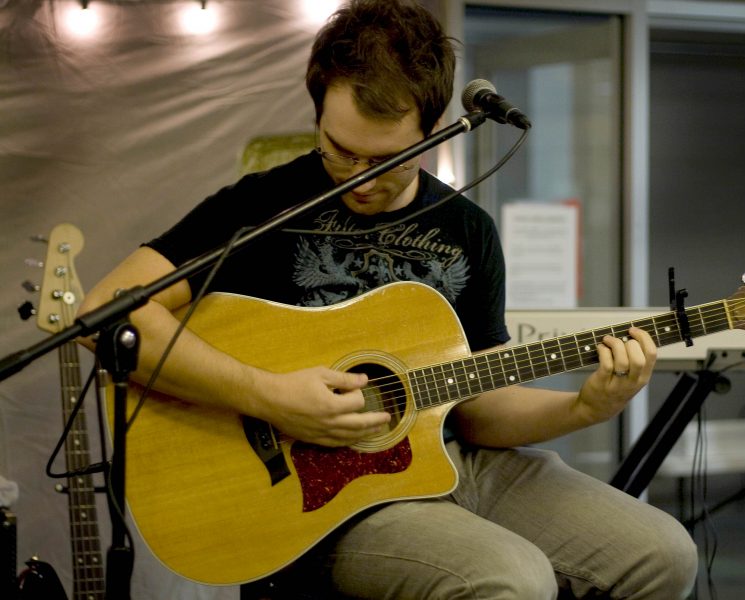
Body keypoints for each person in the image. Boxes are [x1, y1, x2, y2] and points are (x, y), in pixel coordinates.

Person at [78, 1, 697, 597]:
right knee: (510, 579)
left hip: (453, 462)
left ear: (433, 131)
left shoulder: (467, 229)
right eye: (339, 149)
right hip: (319, 496)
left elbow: (478, 405)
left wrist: (584, 409)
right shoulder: (260, 208)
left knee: (662, 555)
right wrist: (269, 396)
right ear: (318, 112)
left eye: (388, 159)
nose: (360, 179)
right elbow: (103, 313)